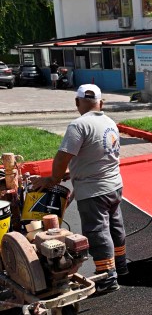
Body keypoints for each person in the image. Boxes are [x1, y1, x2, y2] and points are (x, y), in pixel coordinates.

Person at [31, 84, 127, 293]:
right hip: (114, 186)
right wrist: (72, 173)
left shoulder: (79, 125)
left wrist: (53, 179)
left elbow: (63, 155)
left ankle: (107, 278)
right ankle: (121, 265)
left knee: (98, 231)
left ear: (77, 102)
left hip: (94, 190)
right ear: (101, 102)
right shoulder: (109, 122)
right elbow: (98, 154)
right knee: (115, 226)